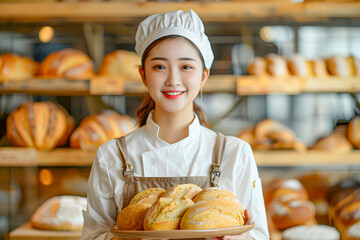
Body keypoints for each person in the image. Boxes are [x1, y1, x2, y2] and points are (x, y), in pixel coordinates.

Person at [81, 9, 269, 240]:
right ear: (143, 75)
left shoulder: (234, 153)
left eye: (186, 67)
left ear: (203, 76)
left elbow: (258, 235)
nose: (173, 80)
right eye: (159, 67)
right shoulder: (111, 156)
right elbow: (93, 236)